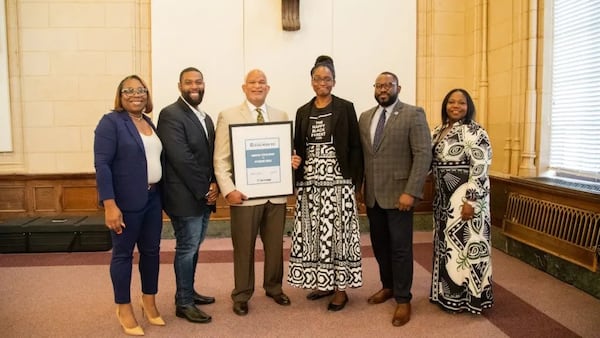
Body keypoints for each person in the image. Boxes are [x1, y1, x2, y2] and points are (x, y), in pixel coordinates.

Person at [213, 69, 301, 316]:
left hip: (276, 195)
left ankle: (274, 287)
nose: (257, 86)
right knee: (244, 247)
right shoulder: (228, 115)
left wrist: (291, 161)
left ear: (268, 88)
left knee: (275, 246)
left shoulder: (280, 115)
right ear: (244, 87)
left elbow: (284, 153)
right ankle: (241, 294)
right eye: (252, 82)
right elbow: (220, 160)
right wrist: (228, 190)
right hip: (244, 196)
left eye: (262, 82)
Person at [287, 55, 363, 312]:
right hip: (310, 183)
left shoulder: (345, 107)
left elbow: (355, 147)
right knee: (317, 234)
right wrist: (296, 174)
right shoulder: (302, 111)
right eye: (318, 78)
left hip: (338, 181)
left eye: (327, 78)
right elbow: (298, 146)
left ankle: (341, 290)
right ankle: (324, 281)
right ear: (311, 82)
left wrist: (355, 184)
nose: (322, 82)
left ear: (334, 81)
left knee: (339, 235)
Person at [358, 71, 432, 327]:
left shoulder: (413, 114)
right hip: (374, 196)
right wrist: (359, 189)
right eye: (379, 85)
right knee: (380, 246)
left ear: (399, 87)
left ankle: (403, 299)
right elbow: (365, 157)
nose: (383, 89)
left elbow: (423, 155)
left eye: (388, 85)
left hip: (401, 196)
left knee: (401, 249)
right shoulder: (365, 116)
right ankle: (388, 286)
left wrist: (411, 191)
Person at [94, 75, 165, 336]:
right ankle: (123, 307)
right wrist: (109, 205)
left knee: (152, 252)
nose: (136, 94)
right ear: (120, 95)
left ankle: (149, 301)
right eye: (129, 90)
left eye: (141, 90)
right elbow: (102, 165)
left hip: (153, 199)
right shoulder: (111, 123)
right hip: (125, 202)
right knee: (123, 255)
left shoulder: (148, 122)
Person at [156, 67, 218, 324]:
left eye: (199, 82)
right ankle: (183, 302)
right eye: (189, 82)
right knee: (186, 248)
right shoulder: (170, 114)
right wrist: (206, 188)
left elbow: (210, 155)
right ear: (180, 86)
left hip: (203, 194)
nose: (195, 86)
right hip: (183, 196)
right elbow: (181, 159)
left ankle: (188, 292)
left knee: (194, 247)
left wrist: (214, 183)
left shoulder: (205, 117)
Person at [429, 88, 493, 314]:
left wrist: (471, 202)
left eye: (461, 103)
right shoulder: (438, 131)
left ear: (469, 106)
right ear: (445, 105)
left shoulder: (476, 132)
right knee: (447, 249)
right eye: (451, 102)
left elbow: (480, 168)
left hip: (466, 201)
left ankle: (470, 300)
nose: (456, 106)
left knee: (466, 249)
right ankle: (447, 295)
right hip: (444, 203)